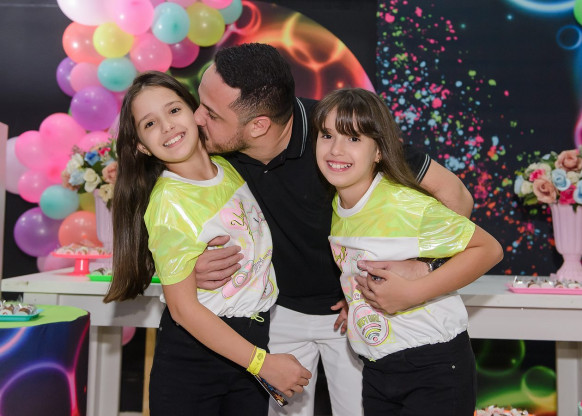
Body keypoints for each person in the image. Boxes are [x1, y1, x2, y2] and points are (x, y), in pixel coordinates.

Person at [192, 43, 475, 416]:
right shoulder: (208, 143)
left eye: (211, 113)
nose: (196, 118)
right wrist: (189, 266)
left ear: (258, 125)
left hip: (359, 316)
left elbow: (455, 195)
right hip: (276, 312)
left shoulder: (336, 133)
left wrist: (423, 266)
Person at [103, 71, 311, 416]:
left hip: (249, 344)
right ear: (141, 145)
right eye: (150, 124)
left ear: (196, 112)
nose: (167, 127)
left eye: (173, 110)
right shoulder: (169, 202)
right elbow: (183, 309)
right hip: (195, 360)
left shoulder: (229, 167)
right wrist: (262, 363)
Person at [312, 87, 503, 415]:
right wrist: (356, 297)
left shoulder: (406, 205)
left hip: (433, 368)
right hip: (378, 368)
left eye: (354, 138)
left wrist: (412, 293)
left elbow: (488, 249)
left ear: (378, 151)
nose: (336, 149)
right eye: (327, 135)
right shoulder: (339, 205)